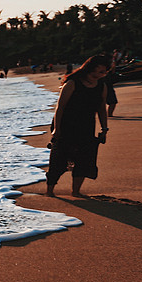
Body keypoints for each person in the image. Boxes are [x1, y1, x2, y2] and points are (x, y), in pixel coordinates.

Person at [45, 54, 110, 197]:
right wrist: (56, 129)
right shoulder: (73, 83)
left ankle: (76, 191)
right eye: (98, 71)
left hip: (86, 126)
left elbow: (101, 109)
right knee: (58, 159)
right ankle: (49, 191)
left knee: (84, 159)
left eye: (104, 72)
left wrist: (104, 129)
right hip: (66, 125)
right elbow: (60, 108)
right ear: (89, 68)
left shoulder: (101, 86)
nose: (100, 75)